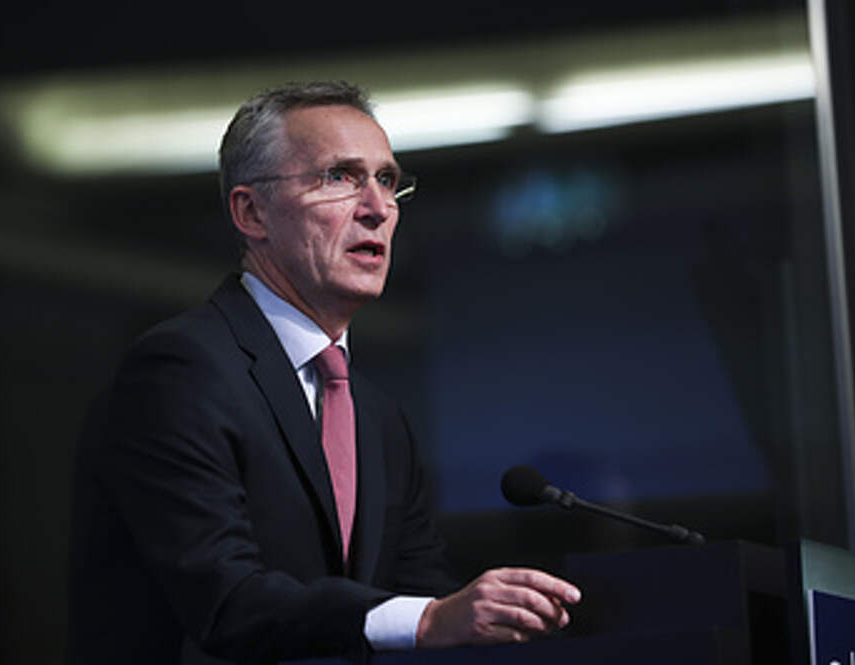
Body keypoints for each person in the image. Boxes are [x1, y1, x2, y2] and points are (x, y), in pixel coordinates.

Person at [68, 81, 581, 665]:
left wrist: (507, 618)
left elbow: (422, 600)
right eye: (340, 177)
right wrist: (430, 618)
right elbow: (226, 601)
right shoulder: (180, 371)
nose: (377, 208)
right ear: (252, 212)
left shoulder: (378, 417)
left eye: (387, 180)